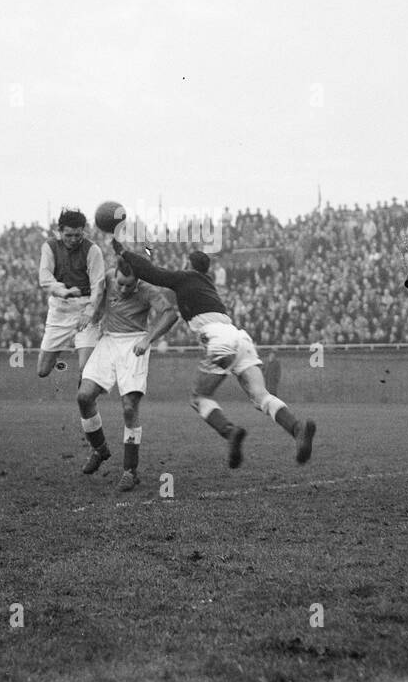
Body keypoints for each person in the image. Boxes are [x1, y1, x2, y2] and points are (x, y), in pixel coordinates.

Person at [111, 236, 315, 469]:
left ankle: (230, 433)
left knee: (199, 399)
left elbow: (152, 272)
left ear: (188, 266)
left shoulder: (186, 277)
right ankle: (297, 429)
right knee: (261, 396)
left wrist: (124, 253)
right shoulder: (207, 285)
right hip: (240, 337)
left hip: (220, 340)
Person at [77, 257, 178, 491]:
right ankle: (100, 449)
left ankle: (130, 471)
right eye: (120, 283)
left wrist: (147, 339)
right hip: (109, 340)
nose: (122, 289)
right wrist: (91, 315)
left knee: (129, 407)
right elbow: (96, 299)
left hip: (134, 343)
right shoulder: (109, 276)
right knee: (83, 396)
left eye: (128, 285)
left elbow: (171, 314)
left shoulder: (147, 290)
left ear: (138, 280)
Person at [37, 209, 105, 378]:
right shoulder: (50, 246)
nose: (73, 240)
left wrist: (90, 312)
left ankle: (86, 402)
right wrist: (63, 292)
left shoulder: (92, 250)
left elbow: (98, 285)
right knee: (42, 370)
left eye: (77, 235)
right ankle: (61, 348)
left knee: (85, 369)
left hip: (85, 308)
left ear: (83, 231)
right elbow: (45, 277)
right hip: (60, 309)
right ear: (60, 231)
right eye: (68, 235)